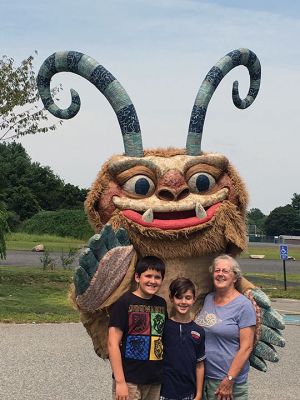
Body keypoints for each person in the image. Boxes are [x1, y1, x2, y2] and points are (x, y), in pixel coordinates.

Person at [196, 255, 256, 400]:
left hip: (226, 381)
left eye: (225, 271)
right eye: (217, 271)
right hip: (203, 377)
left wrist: (229, 379)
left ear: (235, 277)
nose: (220, 274)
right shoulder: (208, 299)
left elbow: (246, 347)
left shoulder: (243, 305)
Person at [108, 256, 167, 400]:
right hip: (130, 379)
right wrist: (120, 382)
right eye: (148, 276)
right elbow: (112, 343)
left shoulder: (161, 304)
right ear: (137, 277)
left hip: (154, 379)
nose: (152, 281)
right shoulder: (124, 303)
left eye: (157, 277)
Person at [160, 277, 206, 400]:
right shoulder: (164, 327)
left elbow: (200, 365)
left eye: (188, 297)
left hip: (188, 393)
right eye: (178, 297)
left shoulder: (199, 331)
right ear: (171, 298)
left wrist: (199, 393)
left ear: (194, 299)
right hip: (164, 392)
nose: (183, 302)